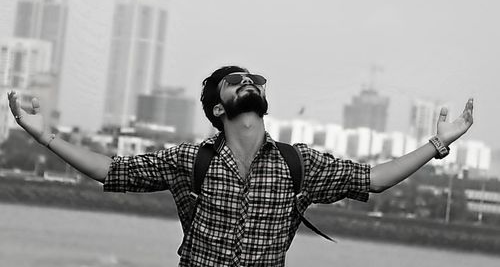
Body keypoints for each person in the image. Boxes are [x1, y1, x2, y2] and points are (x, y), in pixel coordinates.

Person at [7, 65, 474, 266]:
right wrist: (41, 133)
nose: (249, 82)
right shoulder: (190, 159)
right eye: (236, 80)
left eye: (256, 79)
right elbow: (112, 170)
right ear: (217, 108)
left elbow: (372, 177)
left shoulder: (299, 163)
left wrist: (436, 143)